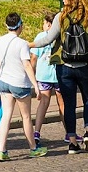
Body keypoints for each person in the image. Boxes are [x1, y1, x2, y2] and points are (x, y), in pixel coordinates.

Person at [34, 0, 88, 152]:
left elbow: (48, 39)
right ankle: (87, 132)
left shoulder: (60, 17)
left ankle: (72, 142)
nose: (63, 0)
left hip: (64, 67)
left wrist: (30, 44)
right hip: (85, 66)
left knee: (69, 104)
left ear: (69, 0)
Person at [0, 12, 47, 161]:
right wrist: (35, 85)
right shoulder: (22, 43)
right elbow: (27, 65)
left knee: (6, 116)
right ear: (20, 26)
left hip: (4, 83)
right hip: (20, 84)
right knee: (26, 117)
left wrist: (1, 74)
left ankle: (2, 150)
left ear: (6, 25)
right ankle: (33, 147)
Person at [31, 12, 64, 144]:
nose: (43, 25)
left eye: (44, 23)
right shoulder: (60, 36)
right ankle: (69, 132)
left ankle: (37, 132)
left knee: (43, 103)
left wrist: (31, 75)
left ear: (49, 24)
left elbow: (34, 58)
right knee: (62, 103)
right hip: (58, 75)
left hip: (43, 75)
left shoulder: (41, 36)